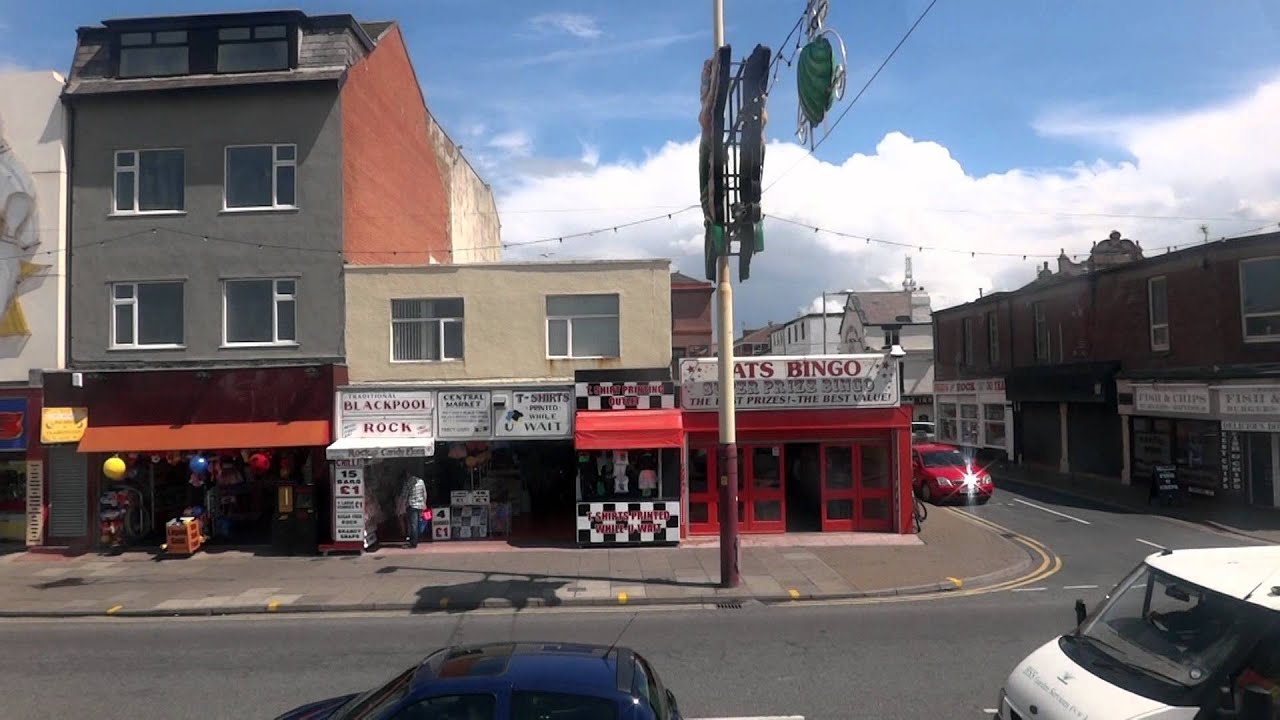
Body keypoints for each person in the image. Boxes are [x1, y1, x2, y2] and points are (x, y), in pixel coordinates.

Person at [401, 471, 427, 548]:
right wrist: (424, 504)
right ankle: (416, 539)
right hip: (420, 505)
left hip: (412, 505)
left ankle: (413, 543)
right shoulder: (421, 481)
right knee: (417, 523)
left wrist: (402, 505)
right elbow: (424, 493)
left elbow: (404, 495)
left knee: (413, 525)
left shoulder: (408, 482)